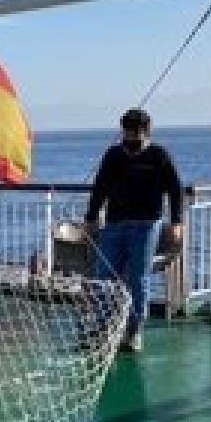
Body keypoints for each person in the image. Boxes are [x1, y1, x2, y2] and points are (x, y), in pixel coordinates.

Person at [84, 107, 185, 352]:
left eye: (136, 134)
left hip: (147, 225)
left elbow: (175, 189)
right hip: (115, 224)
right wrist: (91, 216)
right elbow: (100, 187)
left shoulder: (159, 155)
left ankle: (134, 330)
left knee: (138, 278)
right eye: (127, 133)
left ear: (147, 131)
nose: (131, 139)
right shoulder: (113, 156)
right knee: (104, 276)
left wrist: (176, 222)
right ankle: (102, 327)